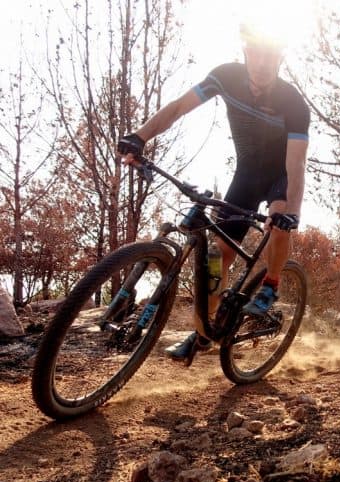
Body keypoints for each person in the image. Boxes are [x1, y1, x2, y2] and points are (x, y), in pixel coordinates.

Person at [117, 23, 309, 360]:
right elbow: (178, 108)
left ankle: (271, 284)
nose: (262, 63)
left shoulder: (293, 103)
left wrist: (292, 211)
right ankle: (204, 332)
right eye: (256, 54)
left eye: (270, 56)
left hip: (280, 176)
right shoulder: (225, 77)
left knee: (279, 218)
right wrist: (140, 136)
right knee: (217, 258)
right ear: (246, 53)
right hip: (246, 176)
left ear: (280, 59)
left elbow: (296, 164)